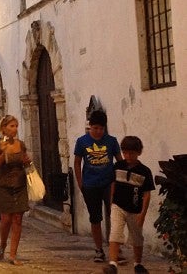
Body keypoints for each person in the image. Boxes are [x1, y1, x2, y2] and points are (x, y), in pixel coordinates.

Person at [74, 109, 123, 263]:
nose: (98, 132)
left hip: (109, 184)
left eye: (101, 128)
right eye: (95, 128)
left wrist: (119, 181)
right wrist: (80, 183)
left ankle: (116, 249)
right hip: (90, 184)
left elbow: (119, 162)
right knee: (95, 218)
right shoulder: (82, 142)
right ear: (90, 127)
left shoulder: (111, 141)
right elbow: (77, 163)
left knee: (114, 217)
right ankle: (99, 249)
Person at [103, 136, 155, 274]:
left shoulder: (144, 171)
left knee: (136, 237)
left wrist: (143, 214)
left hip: (135, 210)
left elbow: (147, 194)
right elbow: (113, 184)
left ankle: (138, 264)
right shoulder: (118, 166)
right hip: (118, 206)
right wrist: (111, 201)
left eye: (131, 153)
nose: (128, 156)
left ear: (139, 152)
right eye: (125, 153)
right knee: (115, 233)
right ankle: (113, 264)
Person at [0, 115, 31, 266]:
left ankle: (13, 254)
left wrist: (27, 161)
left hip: (19, 185)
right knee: (6, 219)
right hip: (4, 185)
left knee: (18, 219)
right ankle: (2, 244)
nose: (15, 129)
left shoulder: (21, 144)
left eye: (16, 126)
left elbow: (26, 163)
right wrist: (3, 154)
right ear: (3, 128)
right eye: (12, 126)